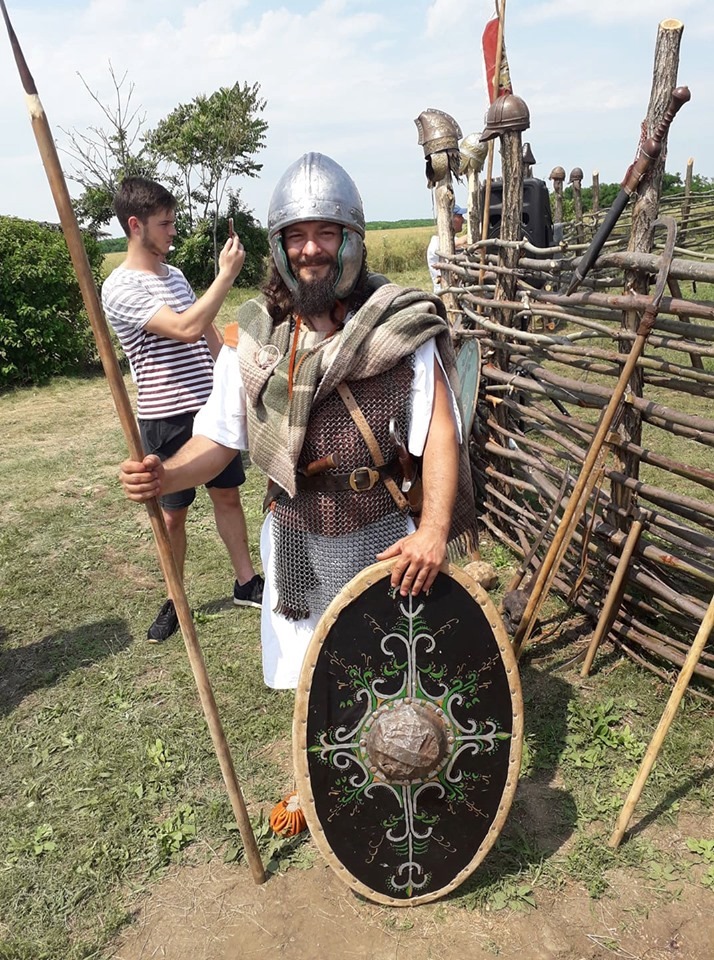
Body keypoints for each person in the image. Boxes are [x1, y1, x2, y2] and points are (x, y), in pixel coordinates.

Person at [119, 155, 477, 685]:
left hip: (385, 536)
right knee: (317, 689)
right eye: (296, 236)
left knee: (397, 680)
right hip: (295, 541)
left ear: (351, 239)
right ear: (279, 248)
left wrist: (434, 531)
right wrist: (165, 476)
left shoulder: (400, 328)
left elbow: (440, 432)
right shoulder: (253, 340)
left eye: (326, 233)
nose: (310, 249)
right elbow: (218, 441)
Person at [103, 176, 263, 642]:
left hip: (209, 408)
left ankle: (246, 582)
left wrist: (237, 376)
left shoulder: (174, 276)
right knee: (172, 514)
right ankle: (175, 598)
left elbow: (208, 335)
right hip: (165, 416)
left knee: (228, 496)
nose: (173, 231)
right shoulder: (120, 288)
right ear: (136, 226)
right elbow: (185, 328)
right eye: (165, 223)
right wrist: (226, 275)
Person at [426, 204, 469, 292]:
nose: (463, 220)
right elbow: (455, 245)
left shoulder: (454, 239)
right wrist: (470, 236)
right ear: (450, 219)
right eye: (459, 216)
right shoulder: (436, 242)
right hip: (444, 292)